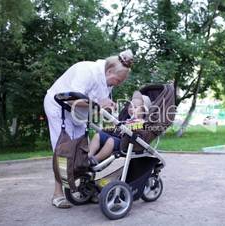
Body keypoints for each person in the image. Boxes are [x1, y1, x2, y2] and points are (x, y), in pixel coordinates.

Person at [44, 50, 134, 208]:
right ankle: (58, 194)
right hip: (59, 108)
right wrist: (99, 105)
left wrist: (107, 107)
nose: (117, 84)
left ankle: (85, 188)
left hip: (78, 114)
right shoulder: (86, 70)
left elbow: (96, 105)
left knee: (82, 150)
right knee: (64, 150)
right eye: (118, 80)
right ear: (110, 71)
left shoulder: (107, 81)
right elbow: (71, 99)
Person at [87, 91, 151, 166]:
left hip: (126, 143)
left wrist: (130, 127)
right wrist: (112, 127)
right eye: (130, 106)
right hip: (116, 137)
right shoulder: (126, 120)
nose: (131, 109)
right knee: (98, 135)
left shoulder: (142, 122)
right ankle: (87, 156)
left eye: (135, 107)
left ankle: (95, 159)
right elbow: (116, 127)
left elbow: (140, 132)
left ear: (143, 111)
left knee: (111, 141)